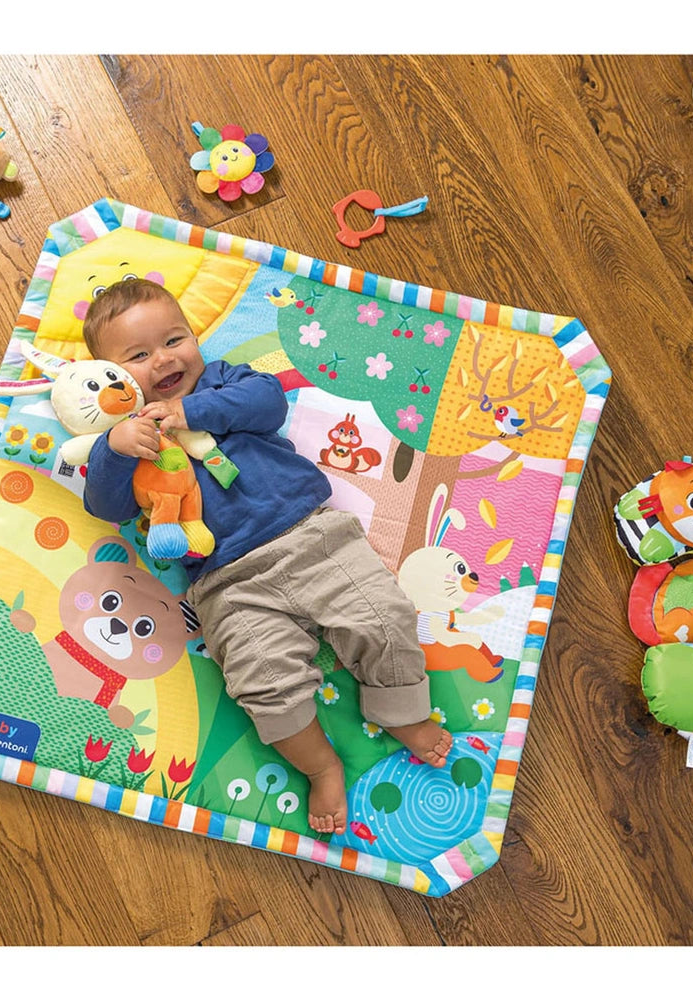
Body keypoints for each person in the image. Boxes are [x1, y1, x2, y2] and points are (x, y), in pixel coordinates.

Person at [81, 279, 452, 836]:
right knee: (263, 685)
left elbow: (269, 402)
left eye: (174, 339)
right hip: (227, 585)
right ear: (111, 377)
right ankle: (321, 764)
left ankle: (400, 711)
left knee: (384, 618)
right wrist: (113, 449)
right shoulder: (124, 436)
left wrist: (190, 409)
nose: (163, 359)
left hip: (311, 540)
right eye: (138, 356)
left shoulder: (224, 380)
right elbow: (104, 504)